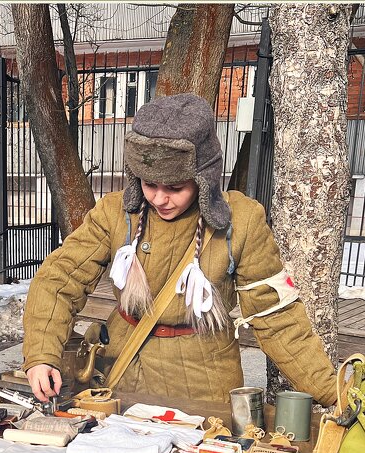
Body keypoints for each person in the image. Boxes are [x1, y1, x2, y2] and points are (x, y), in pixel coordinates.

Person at [22, 93, 338, 407]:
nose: (159, 199)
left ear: (204, 180)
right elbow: (60, 280)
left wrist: (331, 392)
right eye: (149, 184)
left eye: (175, 188)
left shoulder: (240, 223)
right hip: (121, 367)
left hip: (203, 383)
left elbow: (277, 318)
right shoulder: (114, 213)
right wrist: (41, 354)